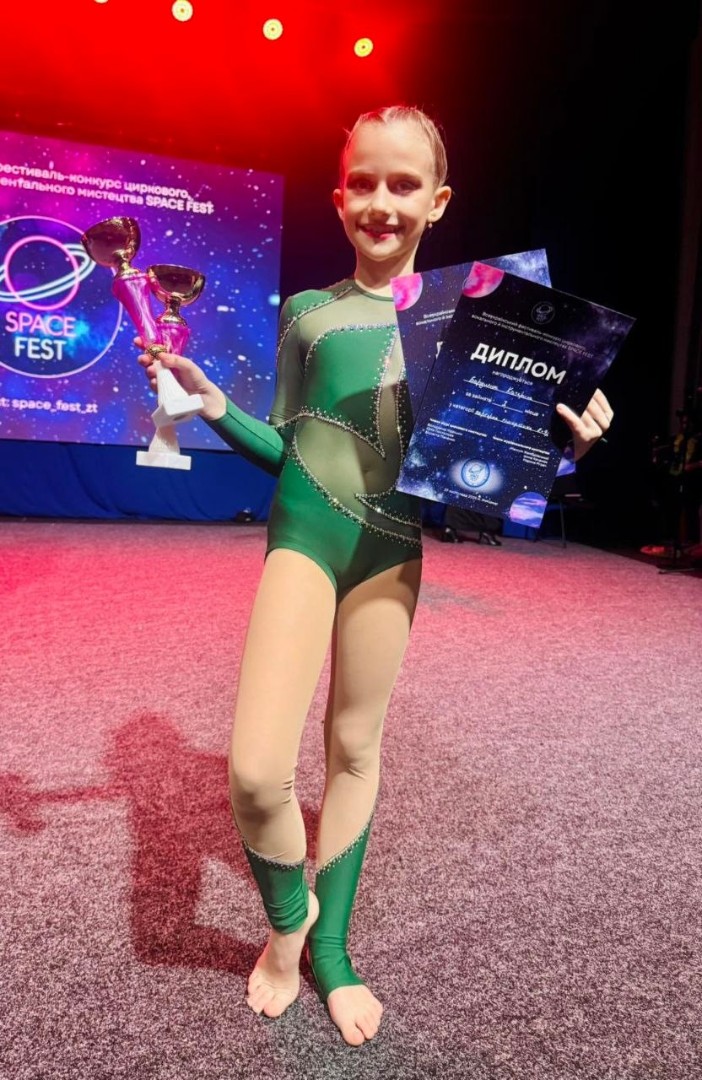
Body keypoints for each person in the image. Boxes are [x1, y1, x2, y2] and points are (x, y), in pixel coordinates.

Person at [136, 105, 614, 1046]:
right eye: (363, 182)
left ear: (438, 201)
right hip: (304, 539)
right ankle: (290, 924)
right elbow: (288, 445)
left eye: (404, 184)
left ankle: (332, 948)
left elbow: (488, 475)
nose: (381, 202)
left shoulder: (473, 326)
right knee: (256, 772)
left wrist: (563, 452)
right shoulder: (307, 313)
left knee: (355, 747)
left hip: (391, 551)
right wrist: (217, 406)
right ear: (338, 195)